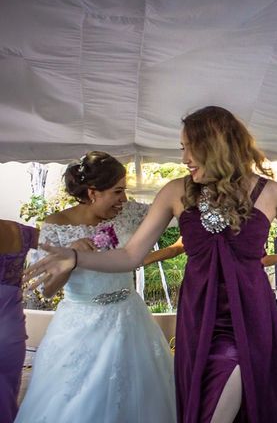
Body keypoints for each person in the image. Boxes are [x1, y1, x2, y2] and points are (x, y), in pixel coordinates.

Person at [25, 107, 277, 423]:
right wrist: (76, 257)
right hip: (197, 315)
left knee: (223, 403)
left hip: (249, 313)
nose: (184, 159)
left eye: (189, 148)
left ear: (216, 146)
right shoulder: (175, 192)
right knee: (203, 398)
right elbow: (130, 255)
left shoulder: (270, 192)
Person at [16, 151, 177, 423]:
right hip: (79, 324)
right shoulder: (55, 226)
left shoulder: (130, 213)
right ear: (93, 193)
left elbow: (172, 213)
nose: (124, 199)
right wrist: (70, 255)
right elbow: (47, 291)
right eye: (117, 192)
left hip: (130, 318)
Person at [0, 220, 38, 421]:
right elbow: (61, 242)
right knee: (6, 397)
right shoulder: (20, 232)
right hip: (10, 332)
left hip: (11, 330)